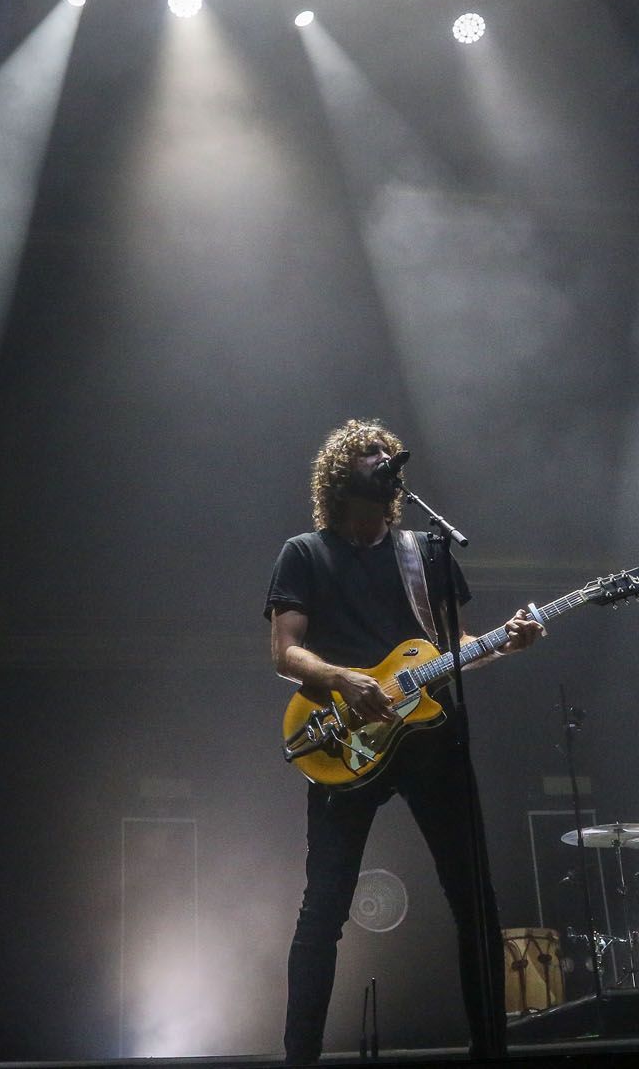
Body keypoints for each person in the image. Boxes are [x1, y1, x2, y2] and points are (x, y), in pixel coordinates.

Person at [267, 419, 542, 1063]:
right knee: (324, 908)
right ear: (340, 473)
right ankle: (299, 1058)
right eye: (367, 452)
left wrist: (507, 640)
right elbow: (283, 651)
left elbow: (455, 652)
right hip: (343, 738)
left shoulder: (428, 553)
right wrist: (340, 677)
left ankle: (489, 1051)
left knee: (473, 898)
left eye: (387, 453)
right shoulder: (304, 553)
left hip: (430, 740)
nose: (382, 458)